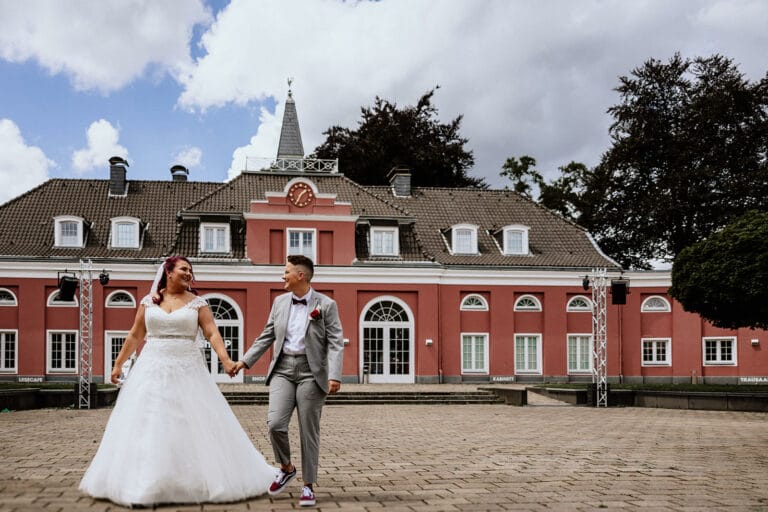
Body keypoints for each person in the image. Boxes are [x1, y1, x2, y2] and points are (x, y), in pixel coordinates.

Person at [79, 256, 276, 507]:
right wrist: (118, 363)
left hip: (188, 369)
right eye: (184, 269)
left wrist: (226, 360)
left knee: (193, 422)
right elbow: (135, 335)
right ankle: (144, 484)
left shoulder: (197, 303)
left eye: (191, 270)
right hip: (151, 369)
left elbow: (212, 333)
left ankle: (195, 481)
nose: (189, 273)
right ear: (169, 272)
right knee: (149, 422)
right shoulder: (149, 302)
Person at [231, 255, 344, 507]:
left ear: (300, 276)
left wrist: (335, 375)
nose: (283, 276)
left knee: (308, 430)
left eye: (286, 272)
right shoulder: (280, 302)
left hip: (312, 372)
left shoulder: (326, 305)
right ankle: (286, 467)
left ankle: (308, 486)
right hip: (282, 369)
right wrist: (244, 362)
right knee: (275, 424)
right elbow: (267, 335)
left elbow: (336, 341)